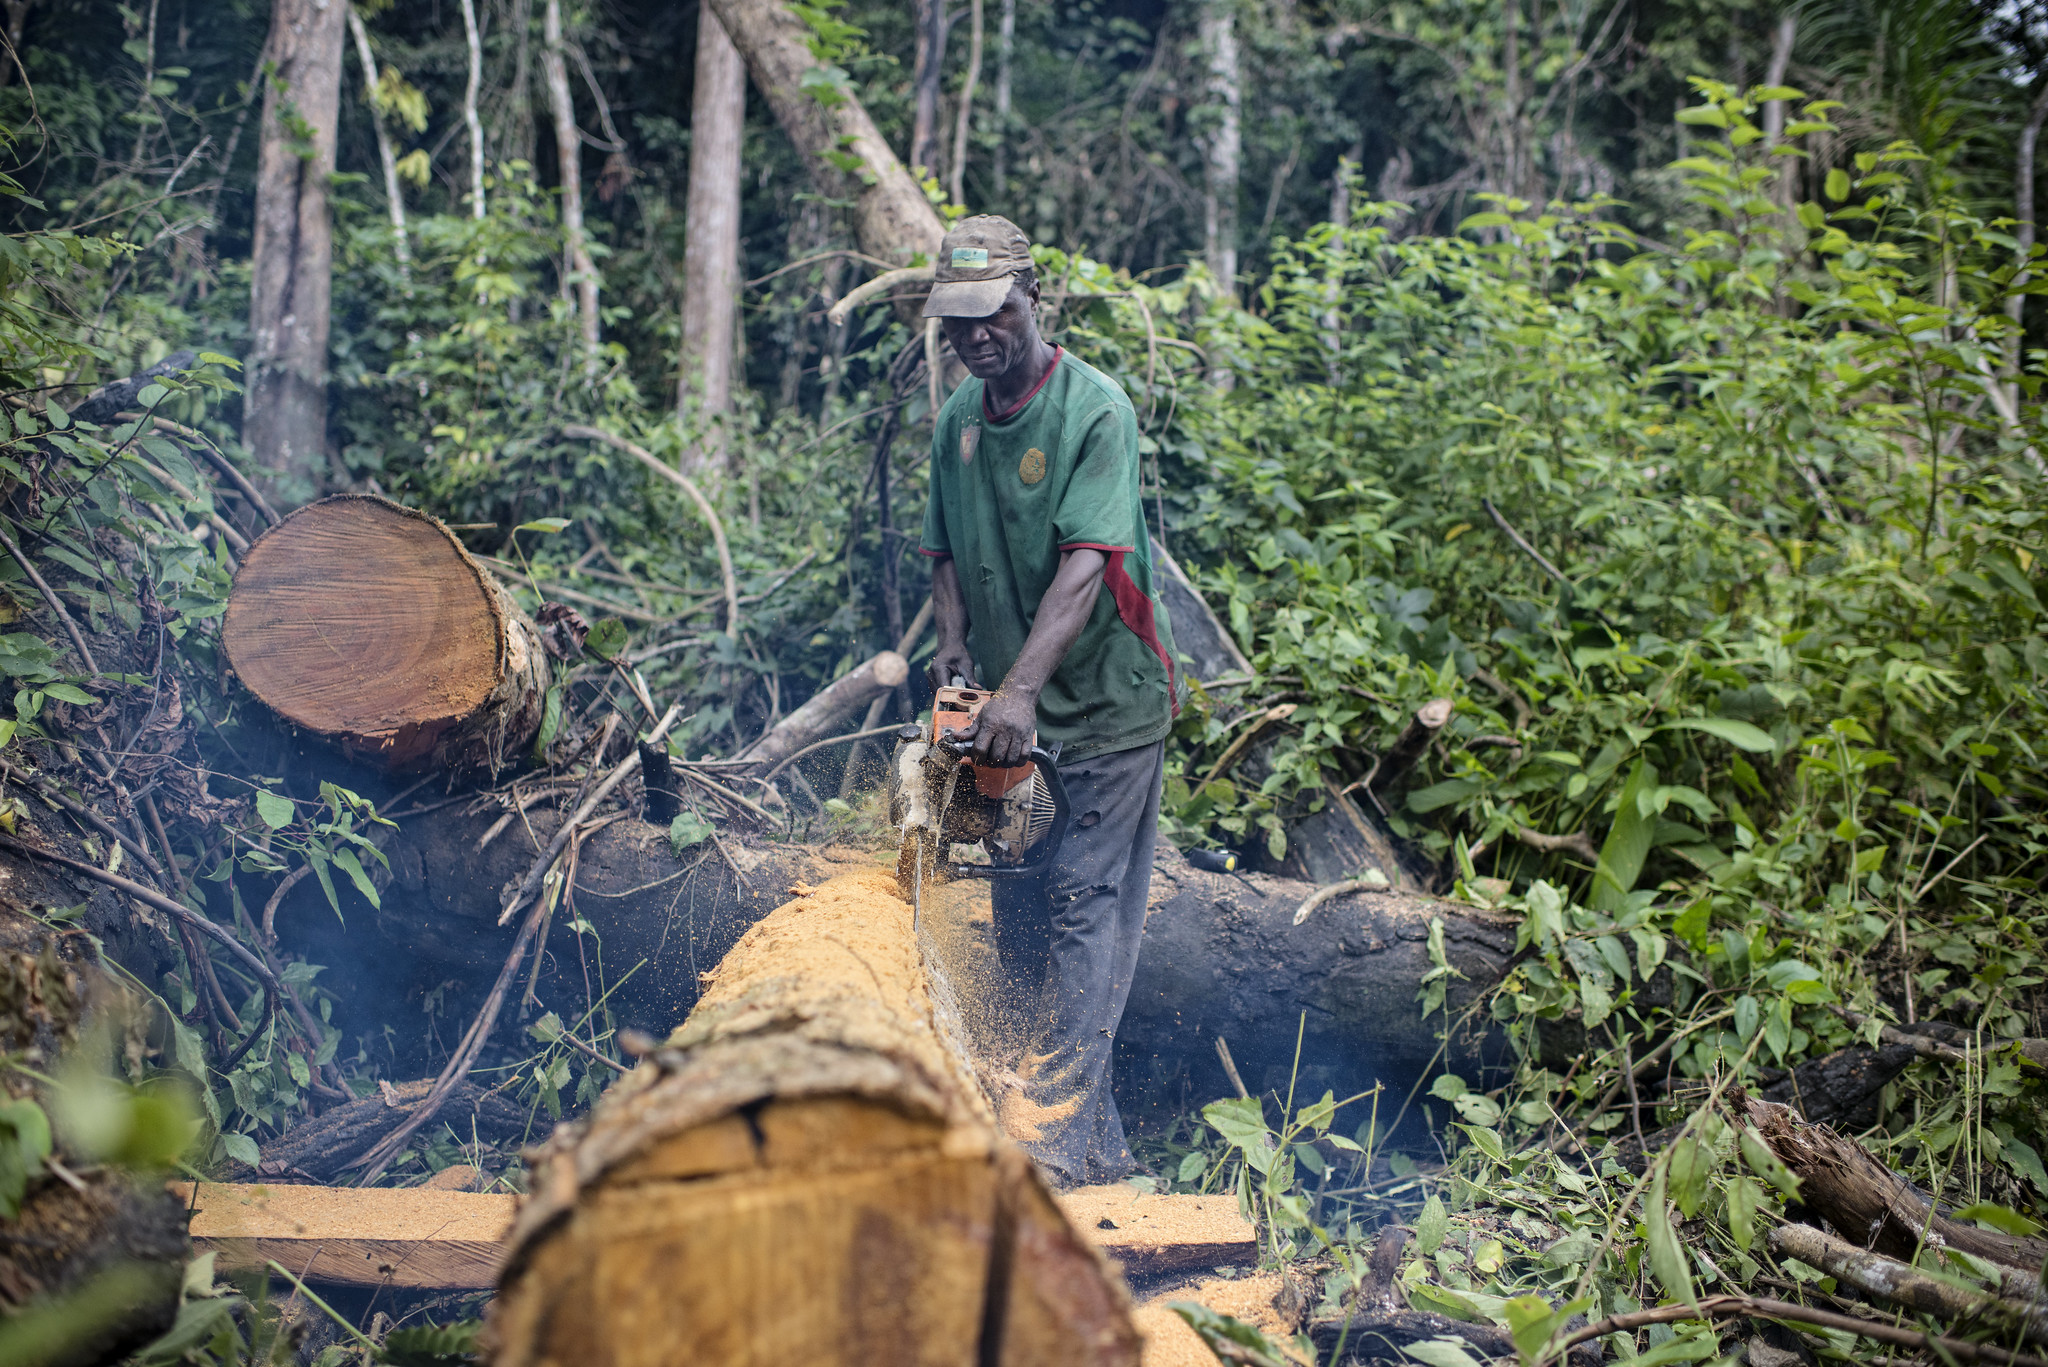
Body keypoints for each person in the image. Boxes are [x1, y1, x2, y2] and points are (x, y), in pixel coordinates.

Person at [917, 214, 1182, 1186]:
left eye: (992, 314)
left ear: (1036, 298)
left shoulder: (1092, 410)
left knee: (1082, 901)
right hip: (1008, 715)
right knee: (1025, 909)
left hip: (1107, 705)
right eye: (958, 324)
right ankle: (1101, 1151)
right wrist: (955, 656)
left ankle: (1047, 1149)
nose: (976, 336)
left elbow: (1085, 565)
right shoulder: (955, 424)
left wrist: (1018, 690)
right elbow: (942, 550)